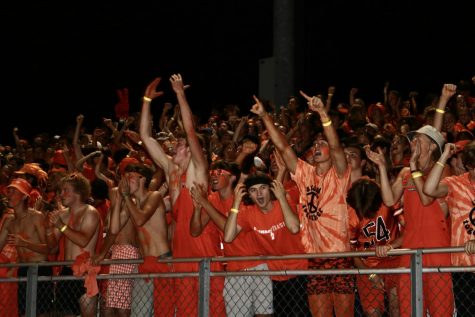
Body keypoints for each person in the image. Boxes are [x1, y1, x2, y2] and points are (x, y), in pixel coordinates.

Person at [251, 93, 354, 317]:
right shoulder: (305, 173)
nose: (317, 146)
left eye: (322, 143)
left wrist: (323, 114)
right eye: (315, 143)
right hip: (315, 260)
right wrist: (265, 116)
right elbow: (284, 148)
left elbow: (337, 148)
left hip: (339, 258)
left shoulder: (339, 174)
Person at [140, 74, 225, 316]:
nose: (173, 146)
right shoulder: (170, 170)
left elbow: (189, 130)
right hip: (181, 253)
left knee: (212, 311)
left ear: (190, 149)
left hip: (203, 252)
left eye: (178, 144)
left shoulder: (198, 169)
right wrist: (146, 100)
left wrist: (179, 94)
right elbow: (146, 137)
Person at [365, 124, 454, 317]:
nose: (411, 142)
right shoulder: (406, 172)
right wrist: (381, 166)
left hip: (436, 249)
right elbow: (389, 200)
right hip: (410, 250)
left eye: (417, 139)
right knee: (409, 310)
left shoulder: (443, 170)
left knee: (441, 311)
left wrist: (414, 168)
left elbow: (427, 197)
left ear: (431, 147)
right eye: (412, 139)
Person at [190, 160, 275, 316]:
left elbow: (228, 228)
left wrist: (204, 202)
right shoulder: (212, 199)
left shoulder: (243, 197)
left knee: (264, 314)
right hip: (234, 268)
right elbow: (195, 231)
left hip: (258, 264)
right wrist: (197, 208)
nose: (213, 176)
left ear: (232, 178)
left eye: (219, 172)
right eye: (212, 173)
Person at [224, 172, 310, 317]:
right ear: (249, 195)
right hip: (274, 275)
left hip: (299, 271)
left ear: (270, 190)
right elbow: (228, 237)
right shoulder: (248, 212)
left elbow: (294, 228)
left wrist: (281, 197)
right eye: (253, 190)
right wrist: (236, 204)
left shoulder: (283, 203)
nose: (259, 193)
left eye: (263, 188)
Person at [94, 162, 172, 317]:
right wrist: (117, 202)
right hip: (143, 263)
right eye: (124, 176)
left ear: (143, 179)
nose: (126, 180)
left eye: (130, 176)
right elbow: (114, 229)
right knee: (138, 313)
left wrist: (126, 196)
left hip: (162, 261)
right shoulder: (132, 203)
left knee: (164, 312)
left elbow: (140, 219)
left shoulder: (154, 196)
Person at [423, 141, 475, 316]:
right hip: (463, 266)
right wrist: (444, 156)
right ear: (470, 165)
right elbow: (429, 189)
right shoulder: (456, 184)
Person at [47, 172, 102, 317]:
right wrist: (48, 229)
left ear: (78, 192)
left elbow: (83, 240)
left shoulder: (91, 212)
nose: (61, 194)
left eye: (66, 190)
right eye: (61, 190)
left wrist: (61, 226)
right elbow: (52, 248)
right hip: (66, 272)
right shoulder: (63, 215)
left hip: (84, 272)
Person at [347, 178, 403, 317]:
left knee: (397, 307)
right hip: (367, 265)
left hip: (394, 259)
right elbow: (350, 251)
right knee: (373, 312)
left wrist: (391, 246)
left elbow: (410, 231)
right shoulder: (351, 214)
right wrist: (370, 274)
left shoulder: (388, 200)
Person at [0, 178, 52, 317]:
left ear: (24, 196)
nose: (9, 194)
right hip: (23, 270)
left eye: (14, 191)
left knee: (41, 313)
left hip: (40, 268)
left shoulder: (36, 217)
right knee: (24, 313)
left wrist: (25, 243)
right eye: (8, 191)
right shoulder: (9, 220)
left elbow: (50, 250)